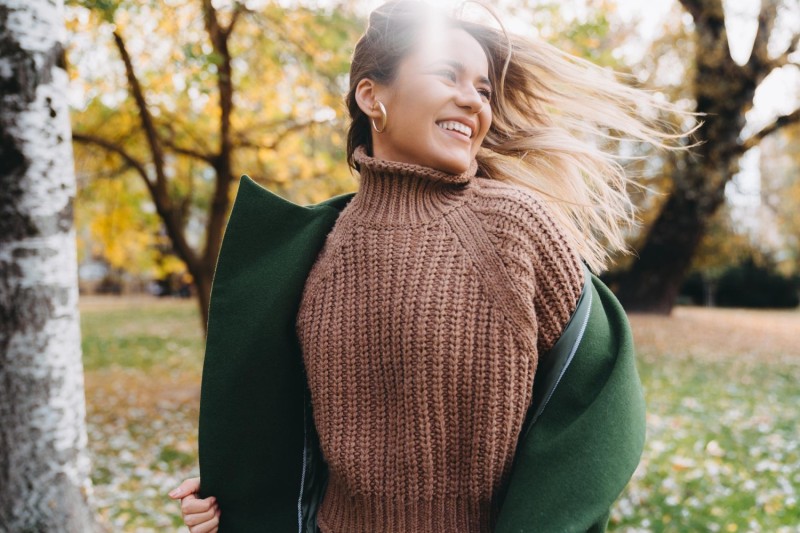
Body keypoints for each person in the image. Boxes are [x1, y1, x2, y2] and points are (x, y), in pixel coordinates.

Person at [169, 1, 690, 531]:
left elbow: (599, 402)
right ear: (372, 96)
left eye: (484, 89)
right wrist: (229, 503)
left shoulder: (515, 228)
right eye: (448, 75)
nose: (473, 101)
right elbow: (283, 439)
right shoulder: (307, 253)